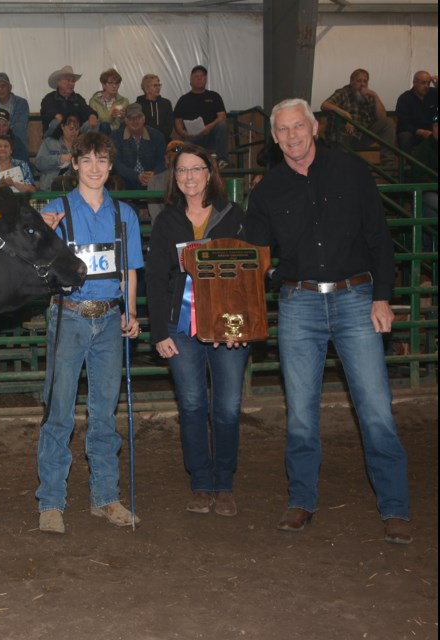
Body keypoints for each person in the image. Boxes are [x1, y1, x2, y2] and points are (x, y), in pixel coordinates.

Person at [246, 98, 412, 545]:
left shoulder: (352, 171)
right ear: (275, 137)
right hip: (298, 304)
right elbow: (254, 258)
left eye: (299, 126)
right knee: (300, 412)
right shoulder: (266, 191)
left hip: (356, 298)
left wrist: (382, 298)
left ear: (314, 127)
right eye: (283, 130)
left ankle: (395, 507)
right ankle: (301, 501)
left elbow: (379, 237)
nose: (292, 136)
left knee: (375, 409)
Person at [35, 131, 144, 534]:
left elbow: (128, 269)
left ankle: (105, 497)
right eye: (88, 160)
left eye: (102, 160)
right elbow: (35, 263)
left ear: (110, 167)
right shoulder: (56, 210)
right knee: (58, 410)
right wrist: (42, 231)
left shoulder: (124, 215)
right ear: (75, 164)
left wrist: (131, 311)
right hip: (69, 317)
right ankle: (50, 501)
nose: (95, 168)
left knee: (104, 413)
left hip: (110, 320)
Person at [145, 143, 248, 517]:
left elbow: (247, 276)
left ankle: (225, 484)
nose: (188, 176)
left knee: (227, 408)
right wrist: (159, 332)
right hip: (181, 328)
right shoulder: (166, 221)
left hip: (228, 328)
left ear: (209, 173)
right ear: (175, 178)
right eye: (181, 171)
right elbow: (155, 279)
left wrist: (242, 325)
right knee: (191, 406)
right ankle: (201, 484)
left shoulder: (234, 216)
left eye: (195, 169)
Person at [321, 69, 396, 159]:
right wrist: (345, 114)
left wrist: (375, 96)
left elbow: (382, 118)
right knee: (340, 144)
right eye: (359, 81)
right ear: (352, 82)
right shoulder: (342, 92)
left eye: (365, 81)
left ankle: (387, 160)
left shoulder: (369, 97)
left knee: (388, 123)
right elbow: (324, 105)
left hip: (361, 136)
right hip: (343, 135)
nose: (362, 84)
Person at [173, 65, 229, 167]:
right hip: (192, 138)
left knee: (222, 125)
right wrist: (184, 133)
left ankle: (222, 160)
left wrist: (209, 127)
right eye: (196, 76)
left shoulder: (214, 96)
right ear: (190, 80)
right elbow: (178, 122)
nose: (199, 78)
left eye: (202, 76)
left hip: (212, 137)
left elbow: (222, 116)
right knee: (175, 149)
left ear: (206, 79)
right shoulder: (183, 99)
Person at [111, 103, 166, 190]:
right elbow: (117, 164)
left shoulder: (157, 136)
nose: (135, 121)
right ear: (125, 120)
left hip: (152, 179)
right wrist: (137, 176)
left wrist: (154, 174)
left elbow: (162, 161)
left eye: (138, 117)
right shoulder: (116, 136)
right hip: (125, 180)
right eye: (131, 118)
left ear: (144, 119)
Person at [40, 65, 98, 138]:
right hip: (54, 135)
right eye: (68, 80)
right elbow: (47, 111)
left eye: (73, 81)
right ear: (59, 82)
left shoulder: (78, 98)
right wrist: (57, 116)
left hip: (76, 133)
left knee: (94, 123)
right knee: (56, 123)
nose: (71, 83)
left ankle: (89, 148)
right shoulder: (49, 98)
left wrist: (92, 115)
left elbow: (86, 109)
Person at [408, 114, 438, 251]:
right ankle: (431, 252)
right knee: (432, 202)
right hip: (428, 192)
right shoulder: (422, 150)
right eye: (436, 126)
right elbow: (420, 177)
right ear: (432, 128)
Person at [0, 72, 30, 147]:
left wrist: (4, 129)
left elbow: (22, 124)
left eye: (3, 86)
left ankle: (21, 157)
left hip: (14, 137)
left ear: (10, 87)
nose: (0, 89)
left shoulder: (22, 103)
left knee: (19, 128)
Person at [395, 71, 438, 151]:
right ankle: (408, 162)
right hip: (412, 132)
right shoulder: (405, 98)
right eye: (423, 83)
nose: (426, 86)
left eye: (428, 83)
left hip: (431, 131)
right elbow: (403, 123)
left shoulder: (433, 93)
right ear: (414, 82)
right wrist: (420, 132)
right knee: (405, 136)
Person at [35, 115, 80, 191]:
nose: (74, 132)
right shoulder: (49, 142)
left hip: (74, 190)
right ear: (62, 126)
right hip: (48, 189)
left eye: (77, 129)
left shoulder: (82, 146)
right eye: (71, 129)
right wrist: (59, 159)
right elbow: (39, 163)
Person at [147, 140, 181, 223]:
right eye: (174, 150)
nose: (177, 153)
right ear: (166, 158)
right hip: (165, 226)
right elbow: (155, 214)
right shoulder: (155, 181)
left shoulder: (193, 178)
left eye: (180, 150)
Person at [136, 73, 174, 141]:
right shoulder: (138, 105)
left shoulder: (166, 103)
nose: (158, 88)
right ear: (146, 88)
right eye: (155, 85)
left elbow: (169, 125)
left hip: (163, 139)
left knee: (178, 149)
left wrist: (159, 137)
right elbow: (137, 126)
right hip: (144, 141)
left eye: (159, 85)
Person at [89, 69, 129, 133]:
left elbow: (128, 122)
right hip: (101, 133)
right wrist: (111, 117)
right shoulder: (94, 101)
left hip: (119, 133)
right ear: (103, 85)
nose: (114, 86)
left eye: (117, 83)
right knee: (104, 126)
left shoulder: (124, 101)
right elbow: (94, 124)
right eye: (111, 83)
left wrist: (124, 117)